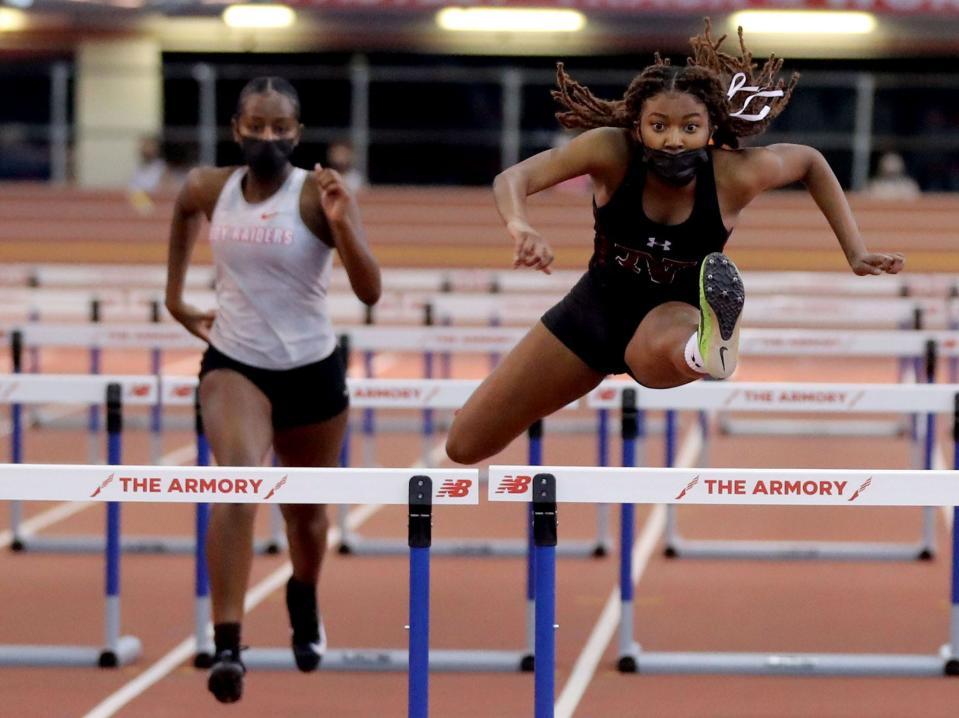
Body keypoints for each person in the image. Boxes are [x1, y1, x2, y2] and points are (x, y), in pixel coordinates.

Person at [445, 20, 904, 465]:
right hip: (590, 313)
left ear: (710, 129)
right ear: (638, 125)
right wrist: (520, 226)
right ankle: (697, 350)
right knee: (464, 445)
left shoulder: (733, 175)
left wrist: (854, 249)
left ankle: (705, 349)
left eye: (689, 127)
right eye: (659, 126)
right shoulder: (609, 150)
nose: (673, 140)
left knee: (672, 344)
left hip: (667, 319)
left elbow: (809, 161)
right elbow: (515, 177)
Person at [164, 76, 381, 703]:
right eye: (255, 127)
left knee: (308, 519)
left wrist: (344, 227)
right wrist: (175, 296)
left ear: (296, 132)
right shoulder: (210, 187)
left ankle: (303, 593)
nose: (266, 138)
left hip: (312, 370)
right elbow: (182, 212)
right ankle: (228, 644)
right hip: (236, 363)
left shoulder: (317, 194)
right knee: (235, 482)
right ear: (236, 129)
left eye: (279, 128)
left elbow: (369, 291)